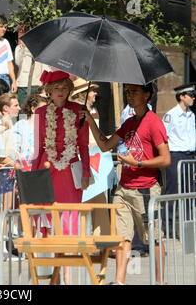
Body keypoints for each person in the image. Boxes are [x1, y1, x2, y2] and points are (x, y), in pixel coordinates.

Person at [80, 82, 171, 285]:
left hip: (146, 188)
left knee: (153, 237)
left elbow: (166, 159)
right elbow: (104, 145)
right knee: (123, 237)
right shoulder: (130, 122)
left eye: (134, 91)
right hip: (124, 187)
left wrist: (136, 162)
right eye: (127, 91)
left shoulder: (154, 122)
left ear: (147, 95)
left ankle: (160, 281)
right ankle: (120, 280)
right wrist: (89, 121)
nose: (129, 95)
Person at [32, 70, 91, 284]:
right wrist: (33, 178)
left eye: (65, 88)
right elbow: (37, 149)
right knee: (47, 222)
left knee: (68, 222)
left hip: (69, 172)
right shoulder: (39, 113)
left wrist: (86, 171)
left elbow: (83, 146)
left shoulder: (79, 110)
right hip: (47, 170)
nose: (61, 92)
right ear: (48, 90)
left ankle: (67, 277)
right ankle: (53, 277)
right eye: (56, 88)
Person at [69, 78, 113, 236]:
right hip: (84, 159)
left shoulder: (93, 110)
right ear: (83, 93)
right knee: (85, 199)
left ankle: (103, 239)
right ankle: (83, 239)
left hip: (98, 159)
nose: (95, 93)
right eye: (93, 90)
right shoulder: (76, 112)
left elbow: (95, 136)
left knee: (100, 198)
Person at [162, 84, 195, 236]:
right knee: (172, 192)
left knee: (189, 192)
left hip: (190, 156)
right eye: (191, 95)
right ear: (182, 96)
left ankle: (187, 228)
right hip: (175, 156)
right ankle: (168, 228)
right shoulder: (171, 115)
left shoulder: (192, 115)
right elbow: (164, 137)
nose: (194, 98)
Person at [15, 25, 50, 106]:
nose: (20, 35)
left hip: (37, 84)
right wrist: (23, 47)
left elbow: (46, 67)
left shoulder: (41, 47)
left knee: (36, 110)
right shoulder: (19, 48)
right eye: (19, 32)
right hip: (23, 84)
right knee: (23, 110)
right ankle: (22, 119)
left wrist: (45, 84)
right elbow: (18, 62)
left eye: (23, 32)